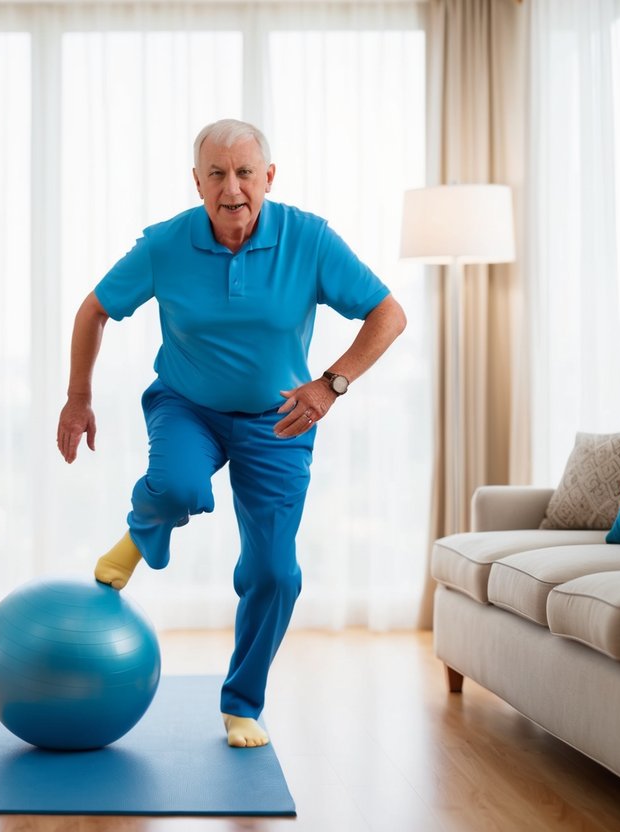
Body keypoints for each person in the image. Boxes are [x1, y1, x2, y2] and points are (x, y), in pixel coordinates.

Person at [56, 118, 407, 748]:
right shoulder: (167, 245)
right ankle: (142, 534)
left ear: (269, 177)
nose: (232, 188)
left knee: (275, 573)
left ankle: (242, 702)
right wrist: (78, 398)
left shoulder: (309, 239)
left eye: (245, 172)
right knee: (176, 487)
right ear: (197, 182)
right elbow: (94, 310)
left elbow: (389, 313)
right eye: (216, 174)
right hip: (188, 405)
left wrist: (331, 383)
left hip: (280, 420)